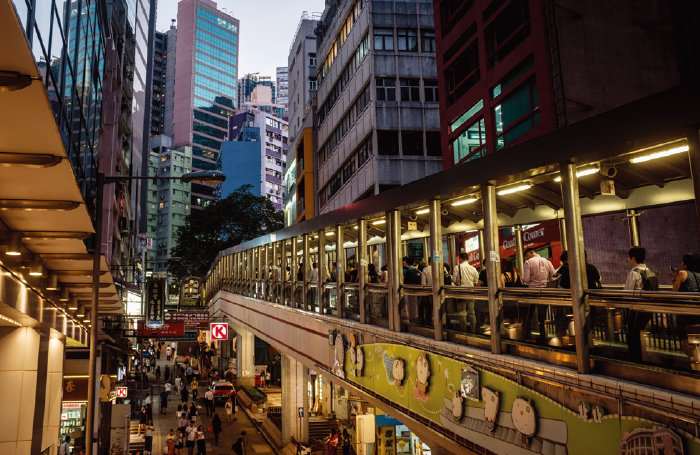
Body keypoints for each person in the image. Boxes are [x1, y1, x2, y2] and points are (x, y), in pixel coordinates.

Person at [624, 247, 657, 362]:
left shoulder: (634, 272)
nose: (628, 260)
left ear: (633, 258)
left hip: (636, 308)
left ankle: (635, 359)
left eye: (629, 257)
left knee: (632, 334)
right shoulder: (649, 271)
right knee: (641, 332)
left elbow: (627, 292)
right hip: (648, 308)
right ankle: (644, 356)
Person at [522, 248, 556, 343]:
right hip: (544, 292)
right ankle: (543, 337)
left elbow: (526, 279)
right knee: (542, 317)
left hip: (532, 293)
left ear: (530, 253)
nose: (526, 258)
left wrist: (525, 280)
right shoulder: (547, 261)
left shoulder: (528, 263)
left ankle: (527, 336)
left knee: (530, 315)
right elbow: (553, 275)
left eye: (526, 256)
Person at [453, 252, 479, 333]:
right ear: (467, 259)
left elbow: (454, 280)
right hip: (471, 292)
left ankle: (463, 331)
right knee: (472, 313)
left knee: (462, 313)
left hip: (461, 293)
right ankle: (473, 330)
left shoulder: (457, 267)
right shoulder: (473, 268)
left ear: (460, 259)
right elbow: (476, 281)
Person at [419, 259, 434, 325]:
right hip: (439, 292)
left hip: (428, 292)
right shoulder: (442, 268)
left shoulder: (426, 269)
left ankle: (428, 321)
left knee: (428, 308)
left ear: (429, 262)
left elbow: (423, 283)